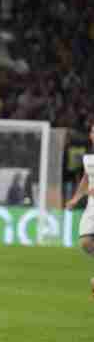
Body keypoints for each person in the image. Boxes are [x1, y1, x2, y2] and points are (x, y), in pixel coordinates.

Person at [66, 122, 94, 296]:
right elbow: (86, 178)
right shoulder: (89, 157)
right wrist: (76, 198)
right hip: (92, 205)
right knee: (85, 242)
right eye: (93, 131)